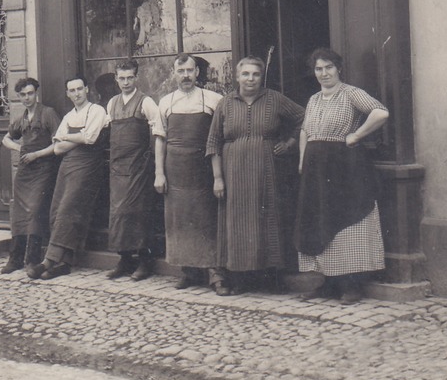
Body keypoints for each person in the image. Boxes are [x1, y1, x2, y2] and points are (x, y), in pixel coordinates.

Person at [294, 47, 389, 304]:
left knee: (346, 221)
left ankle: (351, 285)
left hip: (343, 166)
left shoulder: (350, 93)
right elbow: (305, 131)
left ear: (339, 69)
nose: (324, 73)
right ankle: (327, 282)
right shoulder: (314, 99)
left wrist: (356, 135)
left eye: (328, 67)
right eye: (318, 69)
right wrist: (303, 160)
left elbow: (380, 112)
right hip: (315, 168)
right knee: (321, 220)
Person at [206, 56, 304, 295]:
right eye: (246, 74)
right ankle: (240, 279)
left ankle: (268, 278)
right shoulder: (225, 103)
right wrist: (218, 178)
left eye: (255, 74)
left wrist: (289, 144)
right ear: (237, 77)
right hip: (233, 173)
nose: (250, 79)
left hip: (266, 172)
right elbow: (213, 142)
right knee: (237, 225)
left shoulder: (275, 99)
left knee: (267, 221)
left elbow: (304, 117)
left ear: (262, 77)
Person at [28, 78, 109, 280]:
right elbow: (57, 148)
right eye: (72, 90)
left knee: (69, 209)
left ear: (87, 90)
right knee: (57, 209)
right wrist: (76, 137)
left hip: (88, 166)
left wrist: (67, 137)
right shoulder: (68, 116)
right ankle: (64, 263)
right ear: (68, 94)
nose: (77, 93)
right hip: (67, 166)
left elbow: (90, 138)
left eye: (80, 89)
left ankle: (49, 260)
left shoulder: (97, 111)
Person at [153, 53, 222, 290]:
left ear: (197, 73)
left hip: (203, 168)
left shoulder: (213, 99)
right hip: (176, 170)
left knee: (207, 220)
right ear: (174, 74)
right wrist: (159, 173)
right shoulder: (166, 102)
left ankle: (215, 273)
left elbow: (218, 138)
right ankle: (189, 271)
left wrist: (217, 175)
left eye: (190, 71)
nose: (186, 76)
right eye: (181, 72)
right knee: (179, 220)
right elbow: (160, 140)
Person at [105, 58, 161, 282]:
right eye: (122, 78)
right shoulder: (111, 104)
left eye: (130, 77)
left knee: (138, 213)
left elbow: (158, 132)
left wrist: (155, 165)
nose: (126, 82)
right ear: (116, 79)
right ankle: (124, 259)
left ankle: (144, 261)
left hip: (139, 168)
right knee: (118, 213)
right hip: (118, 167)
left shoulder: (146, 102)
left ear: (136, 78)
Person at [0, 77, 61, 274]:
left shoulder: (48, 114)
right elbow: (6, 139)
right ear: (18, 97)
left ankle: (32, 260)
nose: (27, 98)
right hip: (25, 172)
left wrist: (37, 154)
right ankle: (15, 258)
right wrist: (18, 147)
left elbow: (59, 143)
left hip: (43, 169)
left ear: (36, 93)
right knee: (18, 214)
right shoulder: (22, 119)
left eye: (30, 93)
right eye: (23, 95)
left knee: (34, 211)